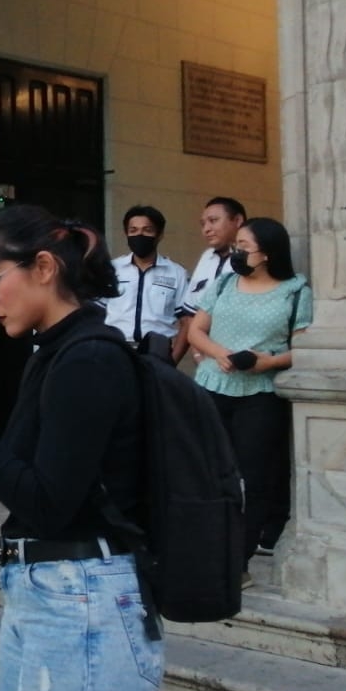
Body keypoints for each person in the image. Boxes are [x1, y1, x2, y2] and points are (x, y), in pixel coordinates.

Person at [0, 204, 162, 691]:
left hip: (82, 593)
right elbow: (22, 484)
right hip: (46, 588)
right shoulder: (55, 352)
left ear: (44, 268)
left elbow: (48, 505)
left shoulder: (88, 357)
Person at [186, 216, 312, 574]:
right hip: (212, 387)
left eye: (245, 248)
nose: (237, 254)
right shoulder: (224, 283)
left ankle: (238, 561)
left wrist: (269, 361)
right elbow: (196, 329)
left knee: (256, 479)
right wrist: (219, 353)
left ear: (268, 254)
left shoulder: (296, 291)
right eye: (236, 247)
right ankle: (206, 548)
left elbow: (304, 348)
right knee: (206, 473)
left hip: (260, 393)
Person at [103, 205, 190, 364]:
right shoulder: (111, 269)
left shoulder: (177, 273)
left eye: (147, 230)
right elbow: (95, 313)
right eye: (133, 230)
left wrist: (172, 361)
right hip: (115, 351)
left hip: (157, 353)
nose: (139, 235)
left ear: (159, 234)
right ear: (126, 234)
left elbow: (187, 323)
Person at [180, 197, 246, 318]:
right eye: (203, 224)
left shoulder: (252, 257)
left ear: (237, 220)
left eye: (213, 220)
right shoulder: (206, 257)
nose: (206, 229)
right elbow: (190, 312)